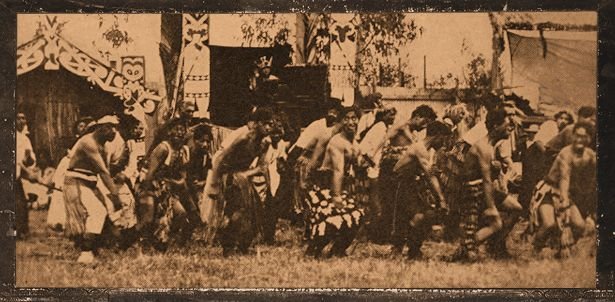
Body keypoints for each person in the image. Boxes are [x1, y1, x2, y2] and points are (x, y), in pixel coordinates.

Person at [200, 107, 274, 256]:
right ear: (257, 123)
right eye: (265, 124)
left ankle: (243, 246)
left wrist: (248, 175)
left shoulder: (265, 142)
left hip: (243, 177)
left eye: (271, 124)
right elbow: (220, 158)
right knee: (237, 213)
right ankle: (228, 246)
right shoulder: (243, 138)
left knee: (255, 212)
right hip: (227, 175)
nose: (268, 127)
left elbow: (262, 166)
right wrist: (214, 184)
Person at [449, 106, 513, 262]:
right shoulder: (483, 147)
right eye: (507, 125)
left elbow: (488, 177)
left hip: (481, 188)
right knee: (496, 224)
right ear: (496, 126)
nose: (510, 129)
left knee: (515, 209)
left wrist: (496, 169)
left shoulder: (491, 146)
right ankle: (465, 249)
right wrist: (491, 208)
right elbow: (485, 180)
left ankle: (495, 246)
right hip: (471, 191)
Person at [305, 106, 365, 258]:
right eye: (347, 118)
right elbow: (338, 171)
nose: (351, 122)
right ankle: (313, 251)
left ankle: (338, 250)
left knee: (357, 216)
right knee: (330, 219)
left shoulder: (355, 143)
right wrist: (336, 196)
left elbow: (356, 167)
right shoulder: (337, 142)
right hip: (326, 184)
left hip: (341, 184)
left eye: (354, 118)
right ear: (341, 121)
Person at [530, 122, 596, 257]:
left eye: (583, 137)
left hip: (568, 193)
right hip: (548, 191)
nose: (579, 140)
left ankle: (561, 250)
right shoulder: (565, 153)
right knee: (549, 224)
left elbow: (591, 181)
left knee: (580, 226)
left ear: (590, 138)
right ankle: (534, 250)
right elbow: (564, 179)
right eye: (577, 136)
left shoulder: (590, 156)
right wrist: (564, 203)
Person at [63, 115, 122, 264]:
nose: (114, 131)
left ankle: (96, 247)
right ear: (101, 127)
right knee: (97, 212)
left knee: (107, 212)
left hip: (91, 183)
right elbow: (102, 171)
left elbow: (105, 172)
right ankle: (85, 253)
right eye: (110, 127)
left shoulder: (105, 146)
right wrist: (115, 194)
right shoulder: (88, 142)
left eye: (115, 127)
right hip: (76, 182)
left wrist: (111, 194)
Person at [379, 105, 437, 245]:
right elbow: (383, 140)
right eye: (425, 122)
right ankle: (390, 239)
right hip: (391, 171)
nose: (424, 127)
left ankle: (399, 238)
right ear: (417, 116)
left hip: (405, 174)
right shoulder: (401, 125)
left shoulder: (412, 132)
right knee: (392, 207)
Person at [392, 121, 451, 259]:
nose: (443, 143)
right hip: (401, 184)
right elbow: (430, 176)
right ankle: (402, 248)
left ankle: (412, 249)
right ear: (437, 136)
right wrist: (442, 199)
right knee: (418, 216)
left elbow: (429, 173)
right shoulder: (420, 149)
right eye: (443, 139)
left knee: (426, 214)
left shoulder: (425, 150)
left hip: (411, 183)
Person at [135, 118, 195, 250]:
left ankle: (162, 240)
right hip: (149, 185)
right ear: (169, 131)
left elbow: (182, 178)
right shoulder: (163, 148)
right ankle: (136, 241)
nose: (179, 132)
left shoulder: (184, 151)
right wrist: (149, 194)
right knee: (148, 218)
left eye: (182, 129)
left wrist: (174, 186)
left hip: (167, 187)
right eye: (176, 129)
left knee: (181, 214)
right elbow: (149, 173)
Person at [520, 111, 574, 214]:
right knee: (529, 182)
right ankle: (523, 210)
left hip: (544, 158)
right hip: (534, 154)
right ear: (556, 118)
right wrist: (547, 155)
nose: (563, 121)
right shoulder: (550, 125)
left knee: (540, 183)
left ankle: (534, 209)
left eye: (566, 119)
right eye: (561, 118)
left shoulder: (564, 132)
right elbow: (539, 142)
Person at [358, 106, 397, 239]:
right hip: (372, 166)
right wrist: (374, 165)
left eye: (394, 115)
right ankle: (375, 231)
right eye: (390, 115)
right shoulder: (379, 128)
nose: (393, 118)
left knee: (376, 199)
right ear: (383, 116)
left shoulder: (382, 127)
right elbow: (371, 149)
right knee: (376, 200)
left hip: (375, 165)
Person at [16, 112, 37, 239]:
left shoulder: (25, 139)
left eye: (24, 118)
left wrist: (28, 158)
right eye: (18, 118)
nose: (21, 121)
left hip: (17, 175)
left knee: (21, 204)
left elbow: (29, 161)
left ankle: (20, 231)